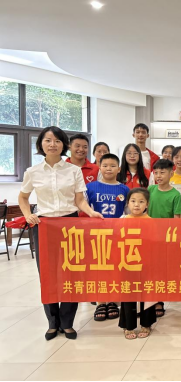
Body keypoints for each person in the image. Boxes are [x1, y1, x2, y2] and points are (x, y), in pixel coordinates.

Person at [18, 126, 104, 342]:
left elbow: (79, 200)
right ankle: (52, 322)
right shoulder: (32, 172)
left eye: (57, 141)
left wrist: (91, 212)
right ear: (41, 144)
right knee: (47, 274)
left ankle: (67, 322)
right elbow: (23, 197)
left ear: (64, 145)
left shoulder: (73, 170)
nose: (52, 144)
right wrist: (28, 215)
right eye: (48, 140)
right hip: (44, 225)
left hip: (69, 224)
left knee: (71, 273)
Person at [86, 153, 130, 323]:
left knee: (114, 267)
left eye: (112, 166)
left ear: (119, 169)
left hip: (117, 235)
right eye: (105, 166)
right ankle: (100, 302)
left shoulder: (124, 189)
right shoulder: (90, 187)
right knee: (98, 268)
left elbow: (127, 212)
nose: (108, 169)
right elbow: (84, 208)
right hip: (96, 235)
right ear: (99, 167)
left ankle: (112, 300)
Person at [119, 188, 157, 340]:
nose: (136, 205)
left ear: (147, 204)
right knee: (128, 293)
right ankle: (128, 325)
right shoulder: (123, 220)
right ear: (128, 203)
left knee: (146, 292)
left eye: (141, 202)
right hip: (127, 263)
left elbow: (155, 243)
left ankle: (146, 324)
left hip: (146, 264)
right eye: (133, 201)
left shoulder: (151, 221)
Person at [148, 159, 181, 318]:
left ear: (171, 173)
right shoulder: (150, 189)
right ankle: (148, 300)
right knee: (149, 270)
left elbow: (177, 220)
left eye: (162, 172)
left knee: (160, 271)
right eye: (156, 172)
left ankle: (159, 301)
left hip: (165, 239)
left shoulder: (175, 194)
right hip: (149, 237)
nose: (159, 176)